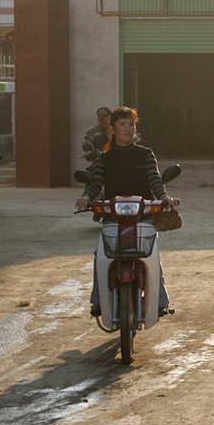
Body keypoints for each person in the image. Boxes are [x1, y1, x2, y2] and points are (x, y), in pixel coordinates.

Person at [75, 106, 180, 317]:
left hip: (144, 216)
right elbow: (95, 183)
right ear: (112, 128)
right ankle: (97, 301)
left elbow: (155, 181)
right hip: (113, 217)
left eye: (131, 124)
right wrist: (86, 196)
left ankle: (160, 302)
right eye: (122, 124)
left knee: (152, 255)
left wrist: (164, 198)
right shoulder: (105, 158)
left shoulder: (145, 154)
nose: (128, 128)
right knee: (101, 254)